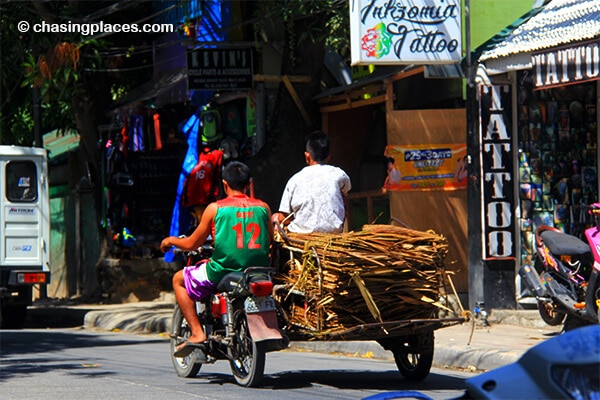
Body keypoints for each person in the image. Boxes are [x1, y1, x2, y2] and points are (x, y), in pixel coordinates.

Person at [160, 161, 273, 357]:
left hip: (222, 270)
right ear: (248, 184)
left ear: (224, 184)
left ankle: (197, 333)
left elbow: (192, 244)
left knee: (178, 279)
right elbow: (270, 239)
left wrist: (170, 240)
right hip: (258, 271)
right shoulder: (263, 208)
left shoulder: (215, 209)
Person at [272, 131, 351, 234]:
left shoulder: (295, 179)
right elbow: (345, 194)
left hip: (301, 234)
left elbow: (285, 217)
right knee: (343, 196)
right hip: (333, 233)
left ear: (307, 156)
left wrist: (276, 218)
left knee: (275, 217)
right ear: (328, 157)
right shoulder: (339, 174)